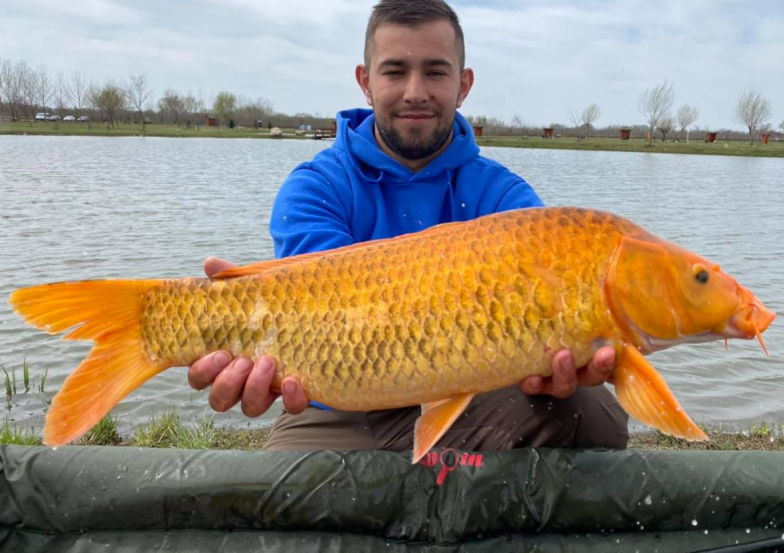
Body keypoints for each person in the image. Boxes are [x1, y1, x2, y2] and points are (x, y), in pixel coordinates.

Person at [188, 0, 628, 453]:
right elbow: (313, 324)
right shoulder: (316, 186)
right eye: (395, 71)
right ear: (366, 81)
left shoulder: (504, 199)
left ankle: (459, 487)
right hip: (337, 408)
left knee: (591, 412)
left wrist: (561, 360)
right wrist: (239, 326)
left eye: (436, 72)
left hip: (475, 401)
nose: (415, 91)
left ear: (464, 84)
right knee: (286, 506)